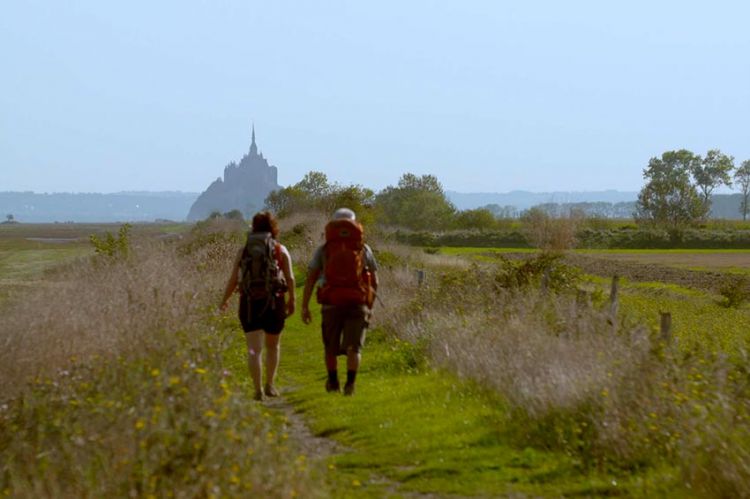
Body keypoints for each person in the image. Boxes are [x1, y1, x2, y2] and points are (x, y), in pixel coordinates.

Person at [301, 208, 378, 396]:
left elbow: (311, 278)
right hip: (357, 303)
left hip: (331, 303)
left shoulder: (324, 249)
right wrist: (370, 305)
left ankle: (333, 381)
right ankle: (350, 384)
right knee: (354, 347)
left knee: (330, 347)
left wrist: (304, 306)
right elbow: (375, 280)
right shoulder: (363, 249)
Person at [220, 211, 295, 401]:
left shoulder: (243, 250)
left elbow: (233, 280)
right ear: (273, 227)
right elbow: (290, 278)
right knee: (273, 346)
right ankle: (270, 385)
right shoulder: (280, 249)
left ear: (253, 227)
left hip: (249, 303)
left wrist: (224, 300)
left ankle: (257, 389)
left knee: (254, 349)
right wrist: (292, 300)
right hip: (274, 302)